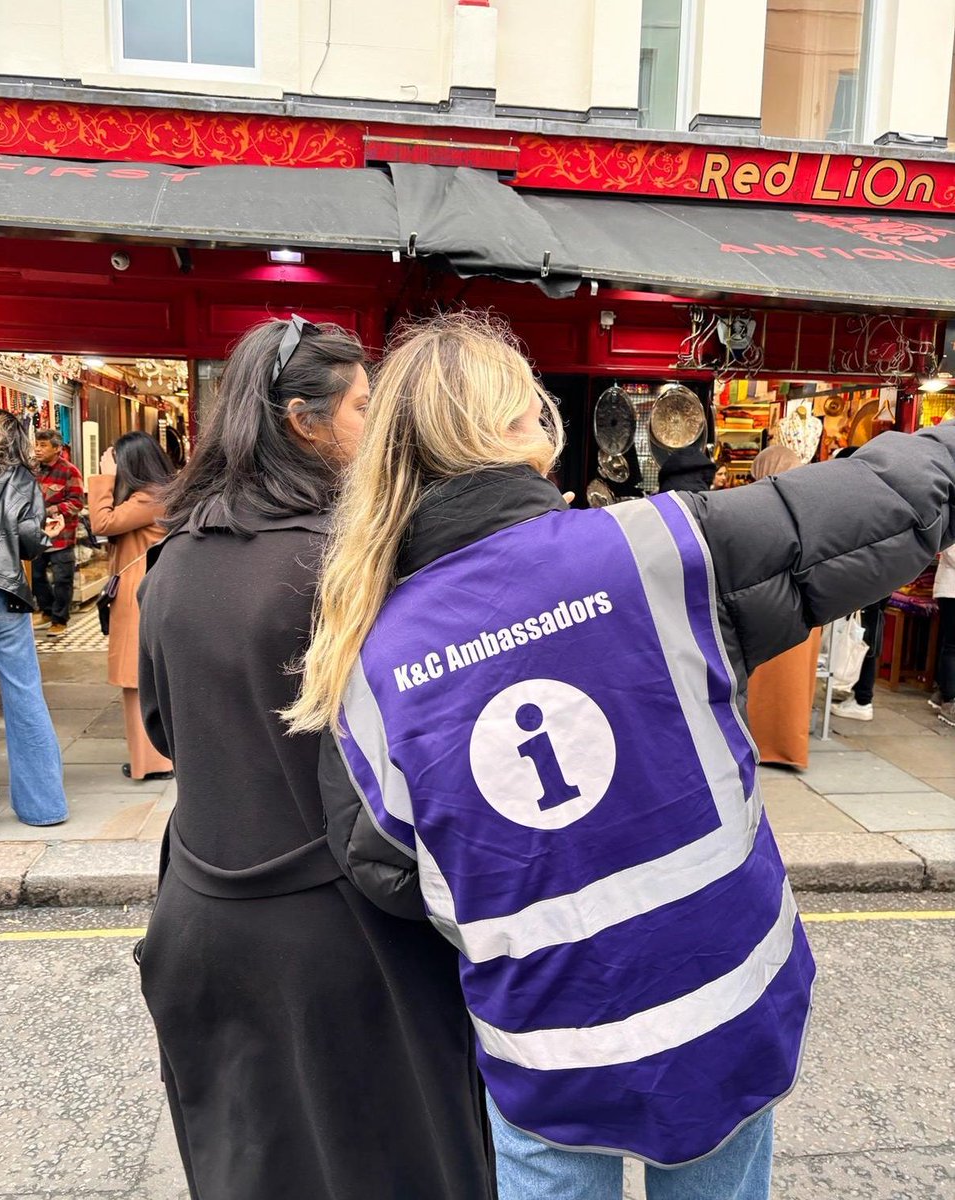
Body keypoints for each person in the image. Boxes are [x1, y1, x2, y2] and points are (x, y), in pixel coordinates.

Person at [289, 314, 955, 1200]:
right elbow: (881, 500)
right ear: (527, 423)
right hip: (723, 1006)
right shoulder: (656, 548)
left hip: (544, 1038)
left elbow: (386, 867)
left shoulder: (368, 654)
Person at [135, 317, 495, 1200]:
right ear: (304, 420)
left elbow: (166, 727)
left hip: (200, 915)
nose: (375, 426)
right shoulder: (344, 567)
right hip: (345, 934)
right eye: (364, 407)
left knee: (252, 1161)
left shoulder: (174, 558)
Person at [88, 433, 175, 782]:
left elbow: (102, 524)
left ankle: (152, 762)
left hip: (136, 597)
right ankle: (152, 758)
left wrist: (102, 479)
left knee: (135, 680)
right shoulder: (157, 493)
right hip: (143, 591)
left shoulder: (148, 497)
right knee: (141, 679)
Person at [0, 411, 68, 826]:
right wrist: (48, 532)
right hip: (3, 593)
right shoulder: (21, 478)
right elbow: (26, 540)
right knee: (23, 694)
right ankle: (43, 807)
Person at [745, 446, 821, 768]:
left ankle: (756, 739)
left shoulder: (750, 505)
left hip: (764, 604)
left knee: (759, 676)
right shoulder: (812, 506)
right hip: (808, 604)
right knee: (794, 678)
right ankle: (789, 744)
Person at [830, 446, 892, 723]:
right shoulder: (880, 494)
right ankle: (857, 690)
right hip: (881, 577)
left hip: (866, 578)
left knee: (860, 636)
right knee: (864, 633)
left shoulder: (856, 499)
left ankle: (863, 698)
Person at [32, 428, 84, 637]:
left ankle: (59, 619)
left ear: (57, 449)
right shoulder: (32, 469)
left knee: (63, 578)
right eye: (36, 444)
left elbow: (77, 503)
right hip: (35, 534)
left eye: (43, 445)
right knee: (35, 576)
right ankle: (47, 610)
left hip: (62, 536)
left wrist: (50, 511)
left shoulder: (70, 471)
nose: (37, 449)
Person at [931, 544, 955, 727]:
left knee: (950, 643)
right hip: (951, 588)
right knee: (953, 645)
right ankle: (950, 700)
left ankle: (943, 691)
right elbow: (950, 549)